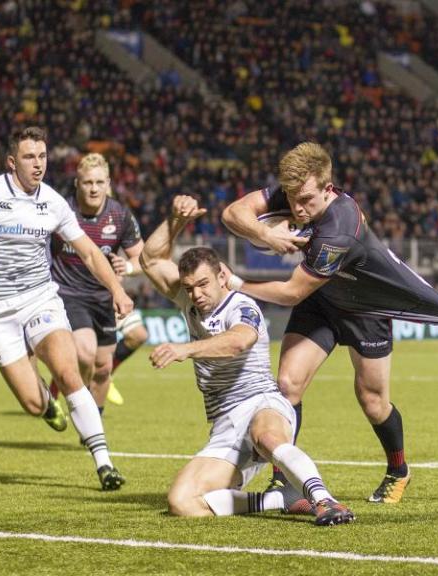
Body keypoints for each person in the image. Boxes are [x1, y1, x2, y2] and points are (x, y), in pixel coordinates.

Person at [222, 142, 438, 504]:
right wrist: (265, 234)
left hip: (365, 307)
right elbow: (232, 213)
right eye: (291, 199)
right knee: (287, 385)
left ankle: (398, 470)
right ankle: (283, 479)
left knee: (373, 402)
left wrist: (237, 284)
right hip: (323, 300)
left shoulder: (338, 229)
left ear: (327, 188)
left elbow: (289, 293)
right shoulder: (294, 193)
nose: (298, 209)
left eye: (306, 200)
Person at [0, 126, 131, 490]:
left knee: (69, 373)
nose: (38, 164)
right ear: (12, 162)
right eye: (28, 157)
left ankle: (104, 464)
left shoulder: (53, 202)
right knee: (34, 405)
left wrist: (116, 288)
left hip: (40, 298)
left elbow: (88, 251)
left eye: (42, 156)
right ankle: (46, 405)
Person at [139, 195, 354, 525]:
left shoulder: (241, 305)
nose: (196, 294)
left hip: (261, 402)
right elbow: (151, 259)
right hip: (224, 424)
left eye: (203, 284)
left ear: (222, 276)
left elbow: (238, 341)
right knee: (182, 501)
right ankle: (278, 499)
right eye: (189, 287)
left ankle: (324, 500)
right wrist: (174, 220)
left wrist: (186, 349)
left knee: (267, 436)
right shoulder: (190, 302)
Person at [50, 153, 143, 413]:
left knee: (103, 367)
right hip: (68, 294)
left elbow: (141, 258)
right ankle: (74, 399)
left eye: (99, 182)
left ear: (108, 183)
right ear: (77, 184)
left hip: (104, 298)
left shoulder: (119, 215)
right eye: (87, 182)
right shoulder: (61, 212)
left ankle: (93, 428)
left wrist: (128, 267)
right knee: (85, 352)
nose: (93, 188)